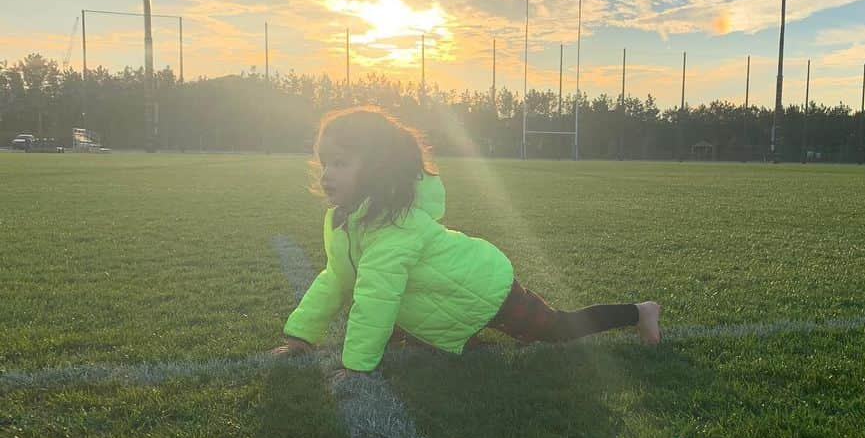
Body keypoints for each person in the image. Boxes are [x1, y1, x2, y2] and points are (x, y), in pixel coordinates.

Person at [271, 106, 662, 384]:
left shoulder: (394, 228)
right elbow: (337, 278)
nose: (326, 175)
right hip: (444, 297)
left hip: (483, 289)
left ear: (376, 167)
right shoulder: (347, 220)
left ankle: (640, 312)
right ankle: (464, 340)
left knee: (557, 329)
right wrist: (301, 337)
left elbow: (376, 297)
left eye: (340, 163)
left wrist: (357, 366)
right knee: (433, 349)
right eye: (324, 163)